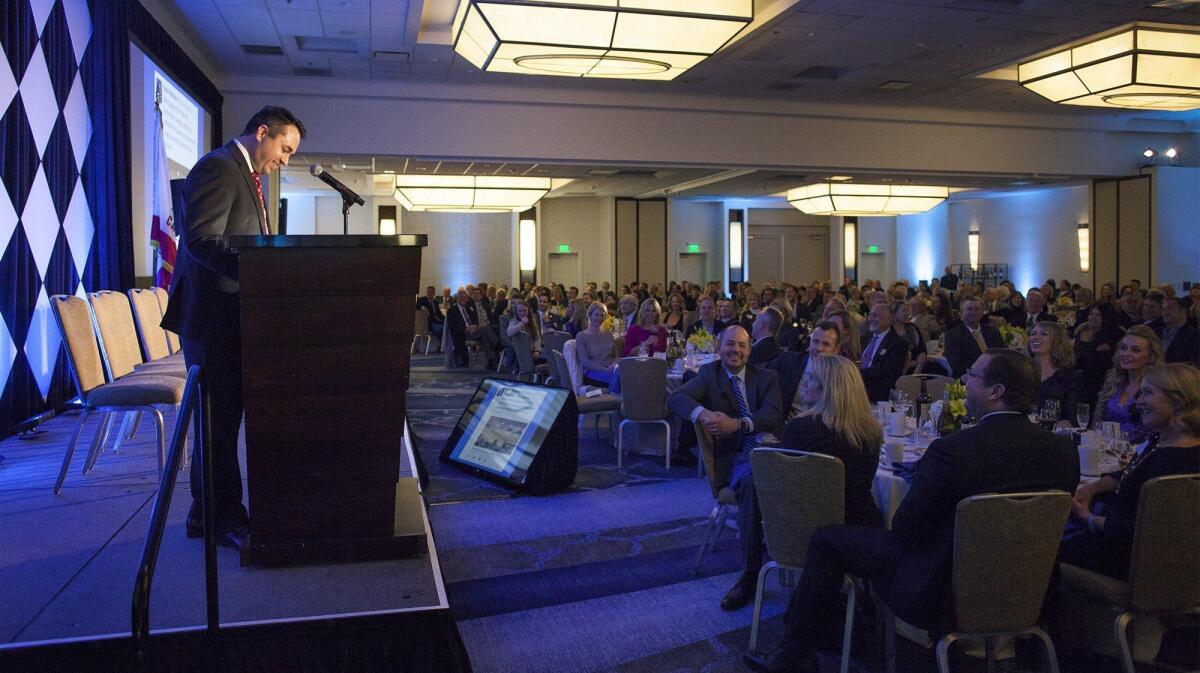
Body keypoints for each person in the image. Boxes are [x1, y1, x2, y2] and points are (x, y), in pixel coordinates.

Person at [747, 350, 1078, 673]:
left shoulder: (953, 450)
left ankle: (795, 655)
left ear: (995, 392)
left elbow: (906, 529)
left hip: (941, 586)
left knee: (826, 540)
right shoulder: (1063, 451)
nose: (964, 380)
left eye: (972, 375)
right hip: (1028, 586)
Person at [162, 106, 305, 549]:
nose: (285, 160)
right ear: (262, 133)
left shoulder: (243, 173)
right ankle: (222, 518)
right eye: (284, 148)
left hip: (227, 314)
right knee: (218, 424)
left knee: (221, 422)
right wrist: (258, 274)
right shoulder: (219, 168)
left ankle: (206, 513)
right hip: (212, 318)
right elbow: (202, 240)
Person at [667, 325, 782, 611]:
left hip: (773, 449)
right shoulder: (710, 375)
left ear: (749, 349)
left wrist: (739, 423)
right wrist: (704, 414)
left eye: (742, 346)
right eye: (730, 345)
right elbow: (675, 399)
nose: (736, 351)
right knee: (754, 486)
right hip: (737, 458)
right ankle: (750, 575)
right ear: (720, 347)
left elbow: (772, 414)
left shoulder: (766, 377)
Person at [1061, 363, 1200, 579]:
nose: (1139, 401)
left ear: (1178, 400)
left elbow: (1135, 531)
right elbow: (1132, 473)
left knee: (1040, 549)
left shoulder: (1168, 462)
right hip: (1181, 565)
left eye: (1148, 393)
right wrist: (1093, 488)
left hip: (1134, 562)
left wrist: (1086, 517)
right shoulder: (1163, 442)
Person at [781, 354, 885, 527]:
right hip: (861, 528)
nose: (805, 383)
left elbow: (788, 485)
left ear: (828, 388)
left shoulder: (801, 429)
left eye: (812, 378)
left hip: (811, 529)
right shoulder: (870, 432)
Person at [1094, 325, 1164, 444]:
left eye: (1135, 350)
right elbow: (1097, 422)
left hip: (1142, 454)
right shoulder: (1113, 381)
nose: (1126, 353)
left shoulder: (1158, 387)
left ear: (1150, 356)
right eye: (1123, 348)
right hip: (1107, 452)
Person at [769, 320, 842, 423]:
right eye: (815, 341)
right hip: (782, 428)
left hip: (818, 433)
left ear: (836, 350)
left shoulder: (840, 377)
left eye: (826, 344)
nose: (819, 348)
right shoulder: (789, 360)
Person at [1025, 321, 1078, 427]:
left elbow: (1073, 416)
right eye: (1033, 334)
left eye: (1043, 334)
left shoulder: (1069, 377)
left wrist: (1066, 422)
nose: (1036, 337)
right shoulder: (1021, 372)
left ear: (1056, 341)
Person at [943, 297, 1004, 379]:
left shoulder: (993, 332)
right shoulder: (953, 335)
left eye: (977, 309)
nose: (973, 312)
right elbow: (958, 366)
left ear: (982, 313)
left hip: (996, 376)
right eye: (969, 309)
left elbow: (1003, 354)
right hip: (970, 379)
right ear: (961, 313)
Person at [859, 303, 909, 403]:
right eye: (870, 315)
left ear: (889, 319)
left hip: (878, 390)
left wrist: (857, 373)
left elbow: (885, 370)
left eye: (875, 315)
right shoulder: (865, 339)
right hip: (858, 384)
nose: (871, 319)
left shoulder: (897, 343)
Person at [576, 302, 618, 387]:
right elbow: (585, 361)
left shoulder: (609, 334)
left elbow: (616, 356)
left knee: (627, 376)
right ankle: (616, 398)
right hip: (592, 372)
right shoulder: (581, 336)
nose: (599, 318)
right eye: (596, 315)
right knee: (618, 380)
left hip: (611, 369)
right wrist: (605, 370)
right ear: (590, 315)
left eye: (602, 315)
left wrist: (613, 365)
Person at [503, 298, 542, 376]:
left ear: (528, 311)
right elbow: (509, 332)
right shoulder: (514, 321)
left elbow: (537, 337)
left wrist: (537, 350)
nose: (522, 313)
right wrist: (522, 323)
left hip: (534, 351)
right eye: (520, 311)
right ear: (516, 312)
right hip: (524, 353)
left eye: (524, 310)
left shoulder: (532, 321)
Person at [1160, 297, 1200, 364]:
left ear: (1183, 311)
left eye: (1169, 308)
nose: (1165, 312)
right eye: (1163, 309)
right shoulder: (1156, 331)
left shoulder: (1194, 336)